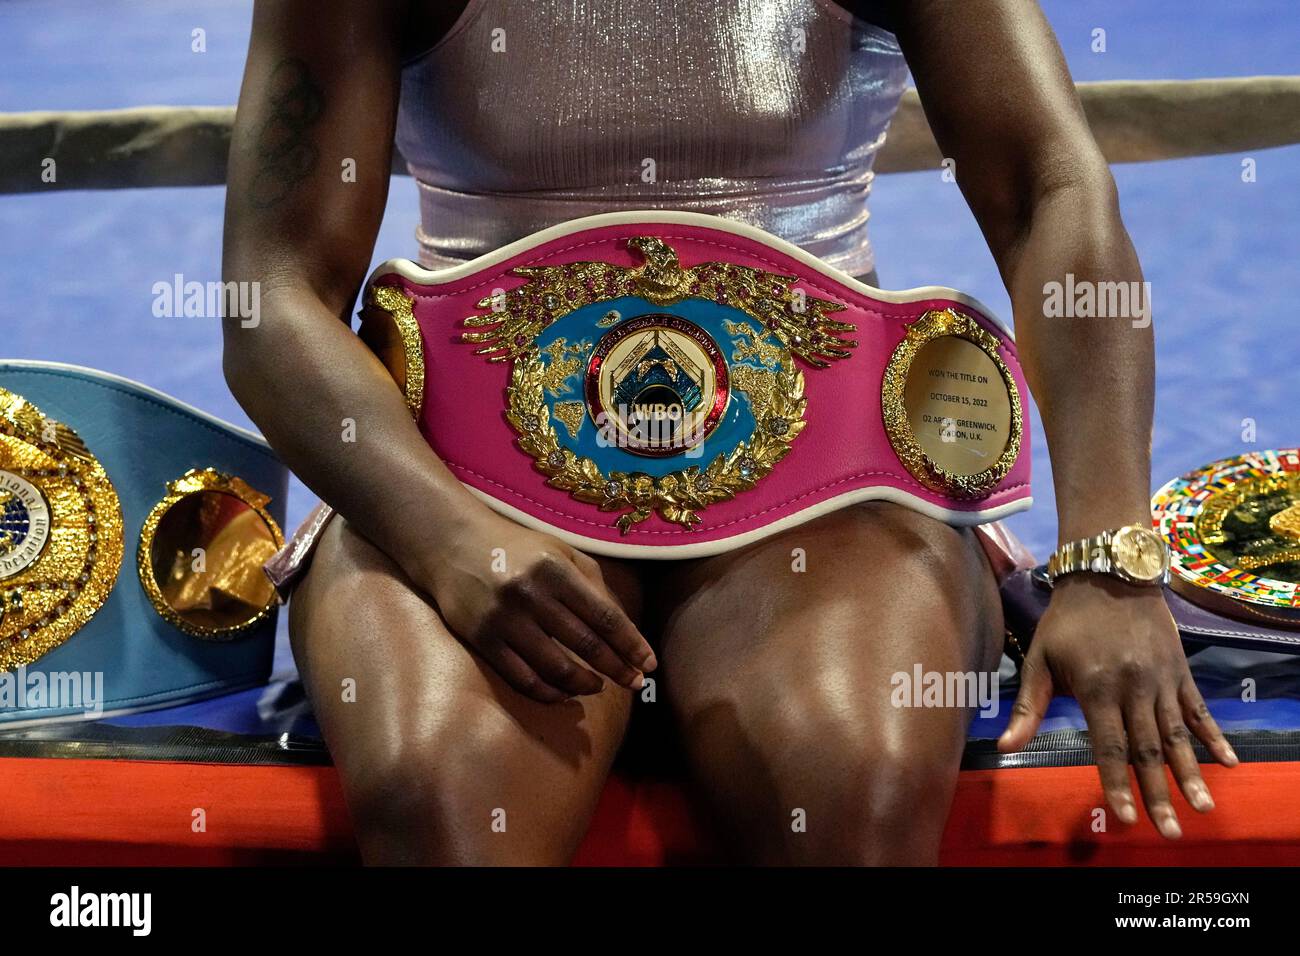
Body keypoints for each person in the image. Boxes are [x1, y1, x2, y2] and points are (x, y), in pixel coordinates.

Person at [222, 0, 1236, 865]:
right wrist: (442, 536)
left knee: (854, 784)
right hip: (458, 478)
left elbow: (1046, 187)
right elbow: (271, 292)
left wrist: (1110, 558)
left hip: (826, 484)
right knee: (439, 794)